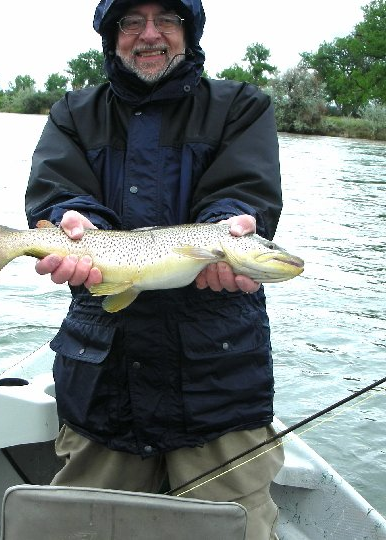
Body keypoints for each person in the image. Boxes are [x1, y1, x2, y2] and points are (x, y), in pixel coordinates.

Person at [25, 1, 284, 538]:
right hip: (104, 378)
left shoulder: (242, 106)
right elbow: (60, 195)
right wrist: (77, 224)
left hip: (221, 381)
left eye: (166, 19)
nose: (149, 35)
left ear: (188, 31)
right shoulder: (72, 114)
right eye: (131, 22)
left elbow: (241, 196)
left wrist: (228, 229)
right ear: (110, 35)